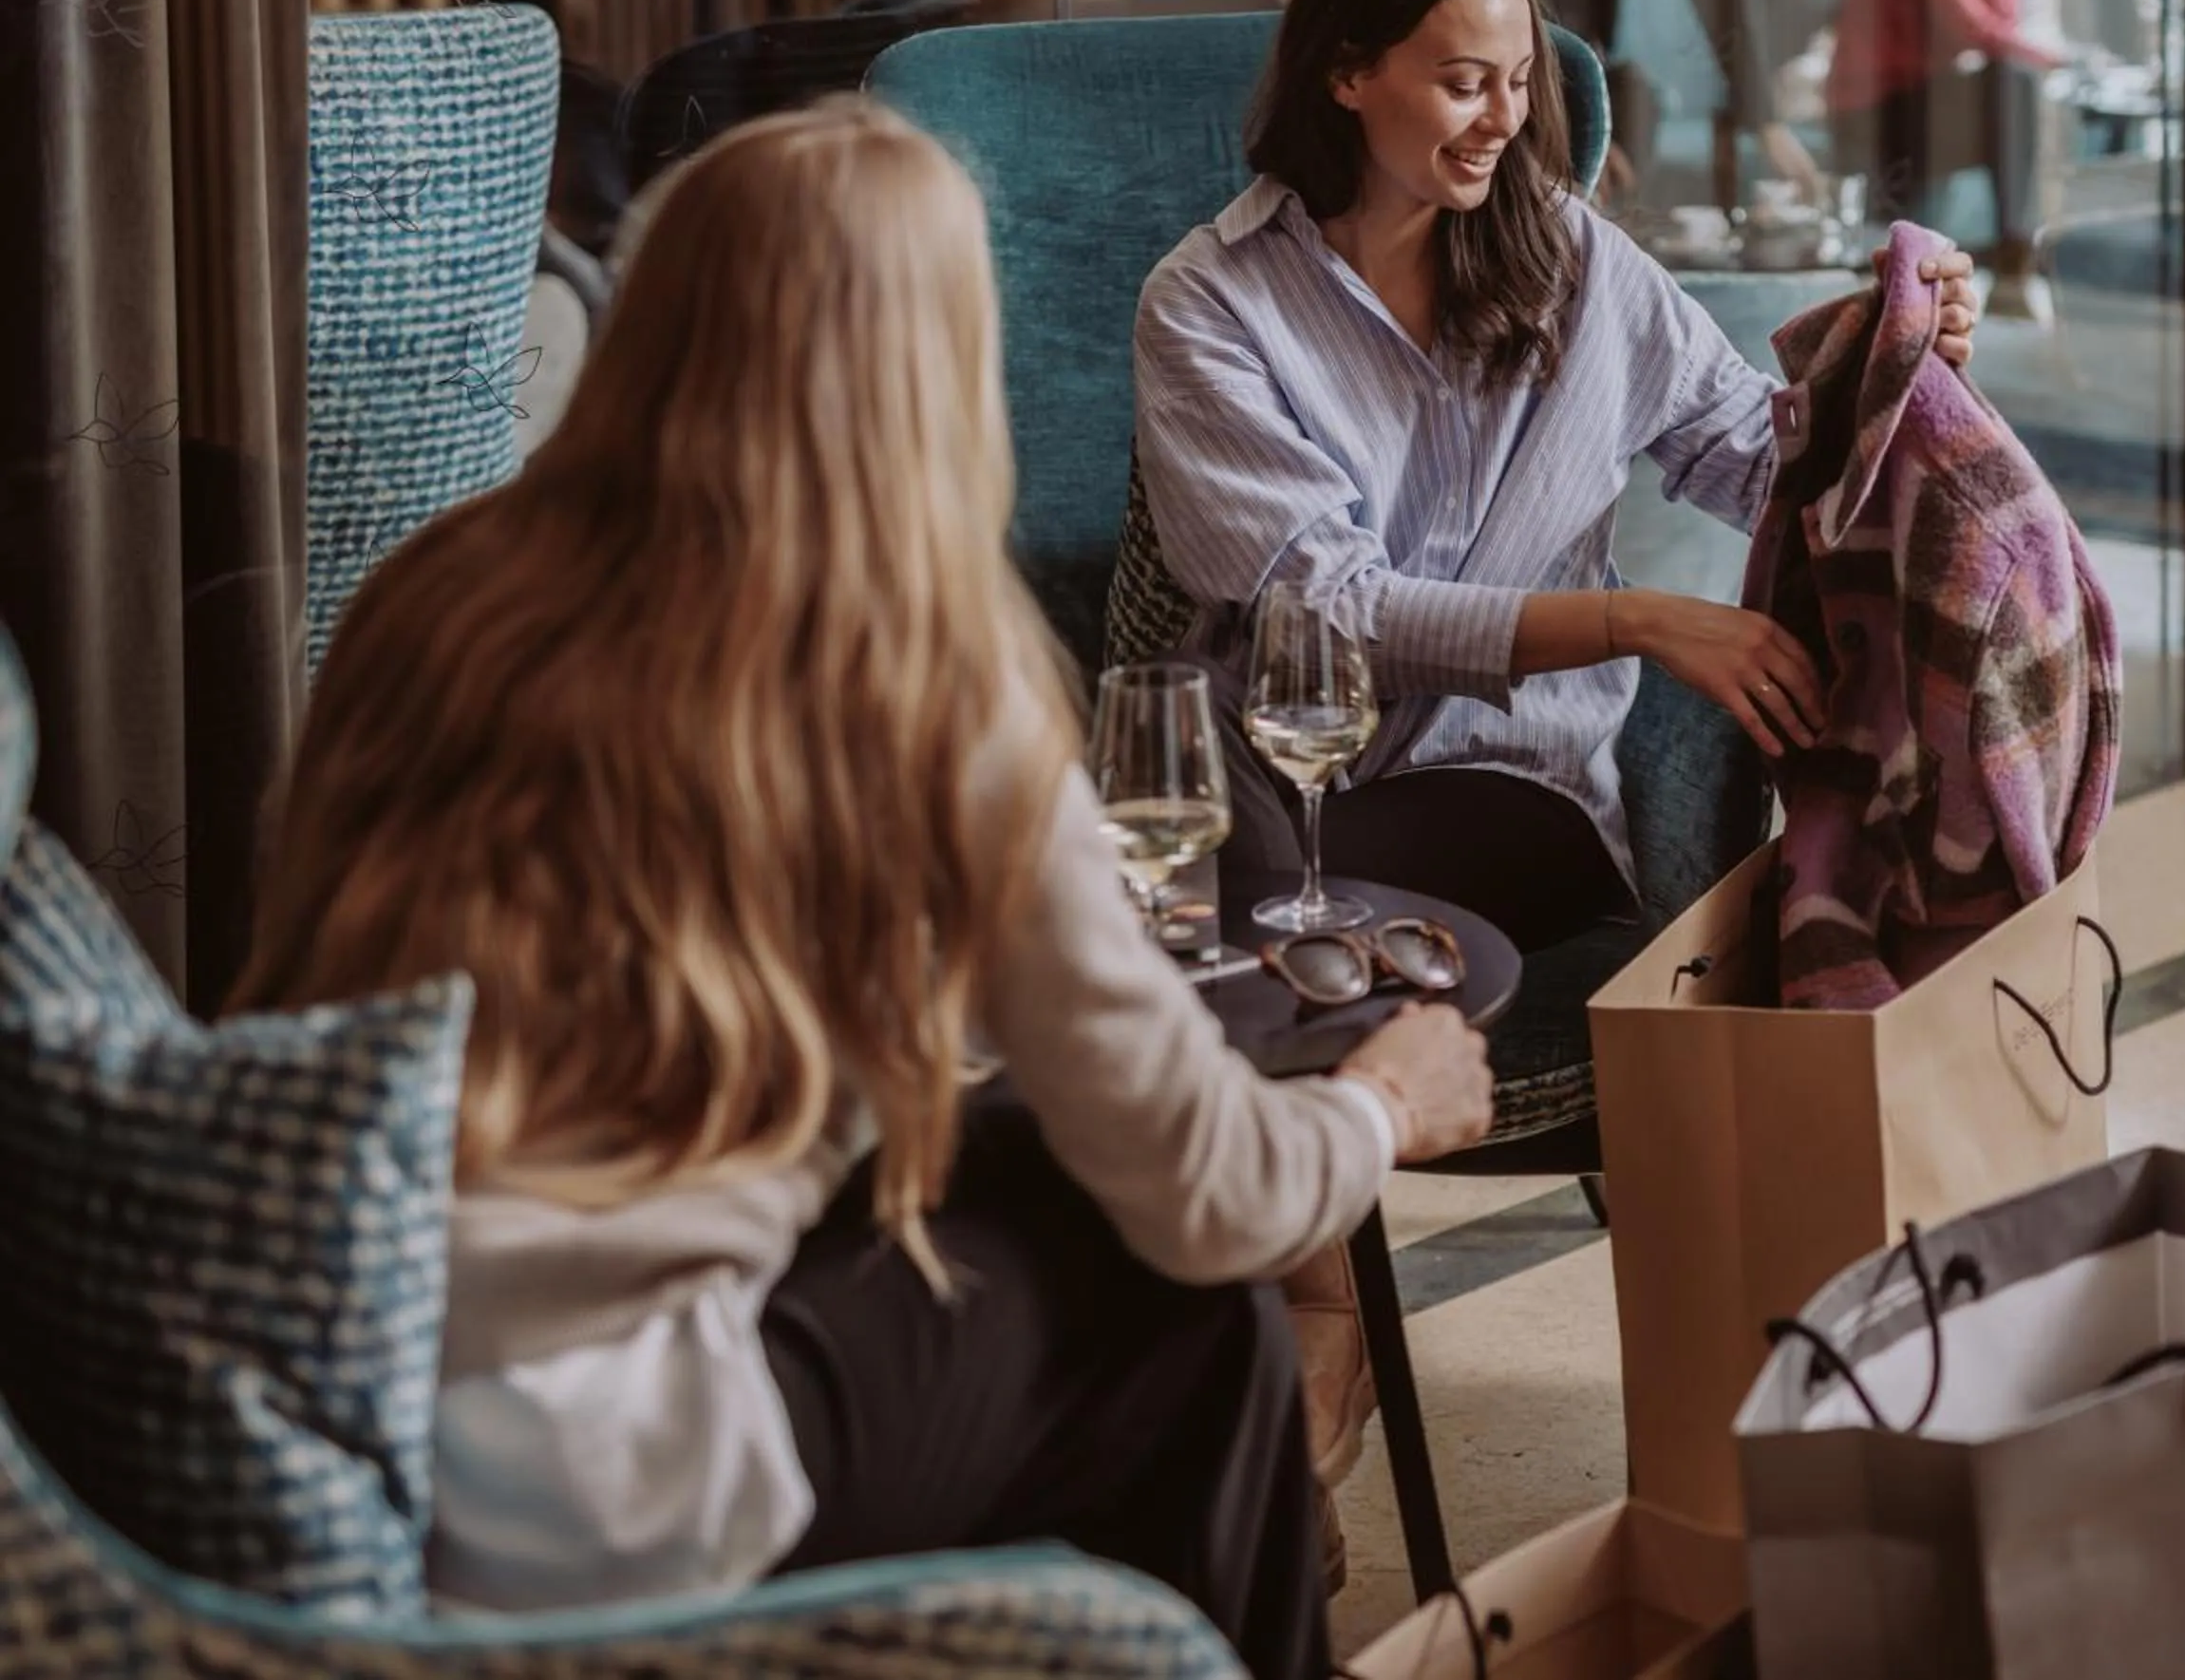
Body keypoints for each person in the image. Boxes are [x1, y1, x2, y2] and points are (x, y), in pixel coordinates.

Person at [227, 101, 1494, 1680]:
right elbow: (1210, 1190)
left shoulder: (437, 591)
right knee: (1195, 1311)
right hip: (611, 1481)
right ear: (935, 377)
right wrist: (1387, 1101)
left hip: (327, 1366)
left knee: (1039, 1187)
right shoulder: (921, 690)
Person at [1124, 0, 1984, 957]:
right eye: (1464, 83)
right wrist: (1637, 620)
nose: (1507, 120)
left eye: (1521, 81)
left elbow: (1773, 467)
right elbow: (1329, 621)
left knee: (1216, 907)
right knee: (1209, 828)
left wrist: (1904, 361)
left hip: (1508, 787)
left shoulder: (1580, 267)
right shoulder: (1210, 302)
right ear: (1347, 75)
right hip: (1283, 759)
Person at [1822, 0, 2060, 312]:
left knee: (2019, 87)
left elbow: (2002, 24)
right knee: (2014, 82)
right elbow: (1969, 27)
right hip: (1876, 105)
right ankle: (2016, 261)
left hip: (1925, 99)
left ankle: (2023, 253)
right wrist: (2055, 59)